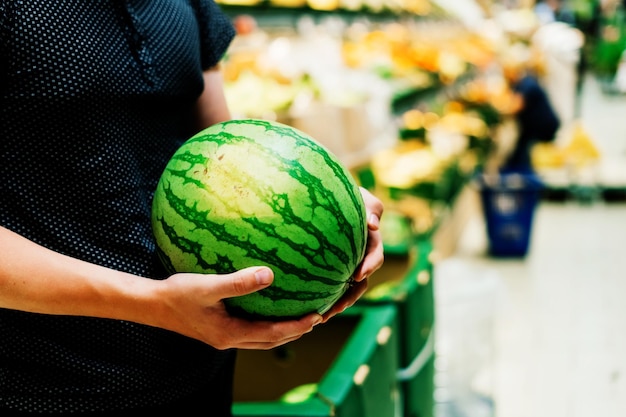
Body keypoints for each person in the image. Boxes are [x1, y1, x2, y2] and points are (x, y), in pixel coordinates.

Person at [0, 2, 384, 416]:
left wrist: (317, 202)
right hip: (50, 387)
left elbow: (220, 147)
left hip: (203, 359)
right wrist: (151, 302)